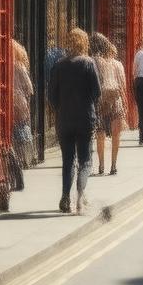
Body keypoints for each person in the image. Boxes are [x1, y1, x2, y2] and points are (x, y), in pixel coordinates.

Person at [48, 28, 100, 214]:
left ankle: (64, 197)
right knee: (85, 160)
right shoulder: (88, 64)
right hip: (85, 118)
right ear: (84, 43)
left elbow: (51, 96)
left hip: (64, 119)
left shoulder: (59, 65)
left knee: (68, 160)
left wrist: (60, 109)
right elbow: (96, 92)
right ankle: (80, 194)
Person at [90, 33, 128, 176]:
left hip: (100, 102)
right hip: (115, 101)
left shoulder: (95, 62)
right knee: (116, 136)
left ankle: (101, 166)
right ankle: (113, 166)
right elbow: (123, 85)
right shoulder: (117, 64)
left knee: (100, 135)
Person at [11, 39, 35, 168]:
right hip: (20, 102)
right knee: (21, 128)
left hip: (6, 101)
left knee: (11, 131)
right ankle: (22, 159)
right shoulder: (20, 66)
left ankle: (13, 159)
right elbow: (29, 88)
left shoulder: (6, 65)